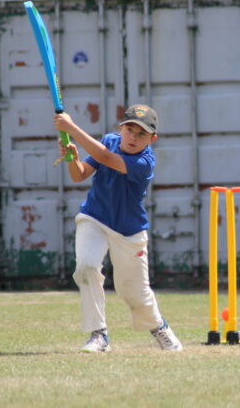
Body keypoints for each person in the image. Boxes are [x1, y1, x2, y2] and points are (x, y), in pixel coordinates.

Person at [54, 104, 183, 353]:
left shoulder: (145, 162)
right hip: (94, 218)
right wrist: (73, 157)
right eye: (129, 130)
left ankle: (158, 327)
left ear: (152, 139)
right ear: (121, 128)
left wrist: (71, 128)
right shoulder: (109, 141)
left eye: (141, 134)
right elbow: (79, 175)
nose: (133, 137)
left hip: (129, 230)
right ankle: (98, 334)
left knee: (134, 292)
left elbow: (105, 158)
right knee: (86, 267)